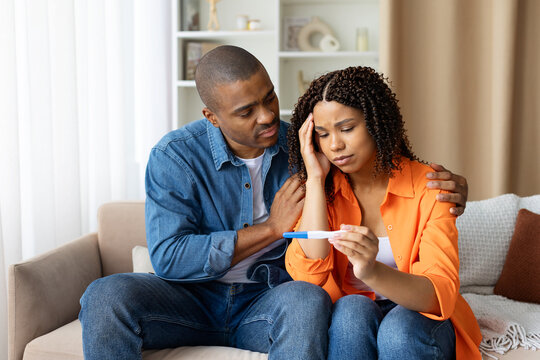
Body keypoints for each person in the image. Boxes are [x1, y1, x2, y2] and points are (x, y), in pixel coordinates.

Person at [78, 46, 470, 359]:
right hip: (191, 298)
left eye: (269, 98)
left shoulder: (303, 146)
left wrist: (458, 186)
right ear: (211, 117)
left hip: (269, 298)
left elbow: (386, 173)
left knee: (308, 299)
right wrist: (270, 229)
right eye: (246, 111)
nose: (267, 116)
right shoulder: (176, 157)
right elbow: (168, 258)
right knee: (104, 295)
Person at [285, 66, 482, 359]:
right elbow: (310, 278)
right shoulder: (322, 191)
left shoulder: (431, 187)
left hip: (418, 316)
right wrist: (314, 178)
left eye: (347, 128)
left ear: (378, 124)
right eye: (323, 135)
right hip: (356, 312)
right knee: (351, 311)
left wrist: (371, 270)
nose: (335, 145)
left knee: (398, 330)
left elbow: (438, 294)